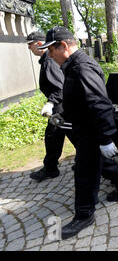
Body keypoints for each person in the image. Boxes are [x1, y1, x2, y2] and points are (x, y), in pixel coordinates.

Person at [39, 26, 118, 239]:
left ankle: (84, 215)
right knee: (98, 162)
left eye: (51, 50)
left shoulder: (81, 68)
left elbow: (98, 102)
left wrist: (106, 137)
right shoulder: (72, 66)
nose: (49, 55)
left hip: (92, 130)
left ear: (63, 46)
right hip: (85, 128)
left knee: (84, 172)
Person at [25, 31, 76, 182]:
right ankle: (51, 167)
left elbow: (60, 87)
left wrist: (50, 103)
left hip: (61, 107)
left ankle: (51, 168)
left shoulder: (49, 61)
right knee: (59, 135)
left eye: (30, 44)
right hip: (60, 107)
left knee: (59, 135)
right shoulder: (47, 60)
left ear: (39, 44)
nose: (29, 48)